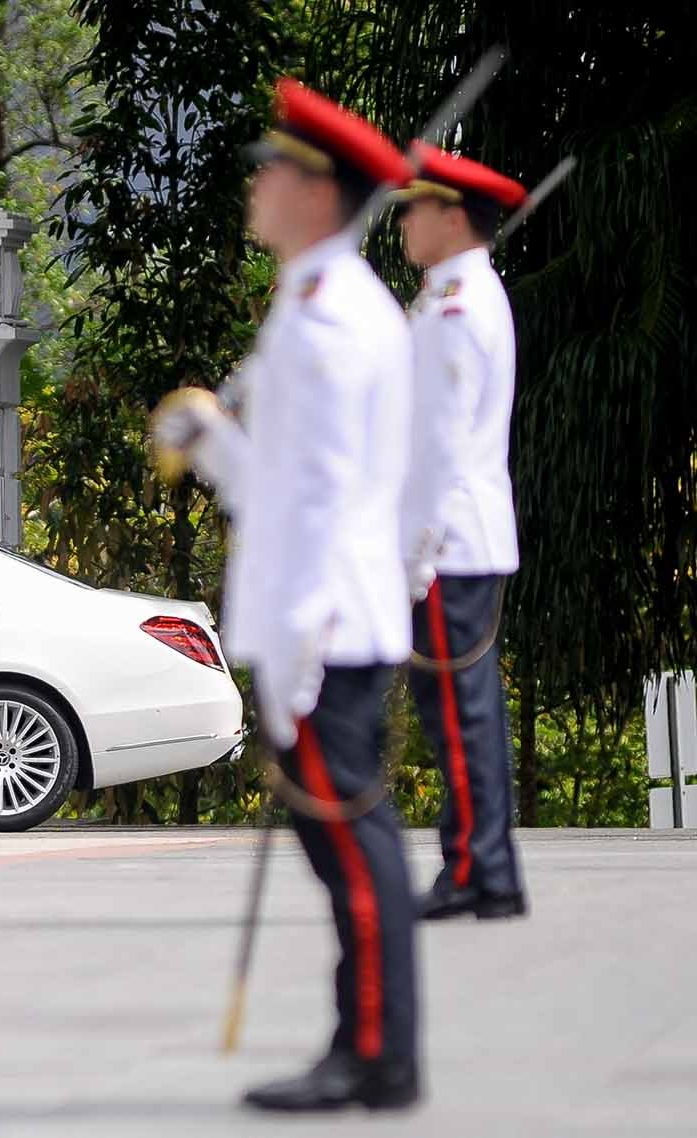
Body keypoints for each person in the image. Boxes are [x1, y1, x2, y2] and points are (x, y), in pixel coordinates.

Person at [152, 78, 421, 1112]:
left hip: (324, 617)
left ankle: (373, 1054)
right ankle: (368, 1045)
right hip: (330, 608)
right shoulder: (318, 301)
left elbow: (302, 494)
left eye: (275, 169)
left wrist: (210, 439)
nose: (257, 184)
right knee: (350, 847)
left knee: (352, 853)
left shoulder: (322, 324)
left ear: (317, 193)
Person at [393, 143, 530, 921]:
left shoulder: (455, 308)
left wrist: (413, 558)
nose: (406, 222)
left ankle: (478, 869)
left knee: (460, 713)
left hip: (449, 542)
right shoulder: (457, 296)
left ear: (451, 216)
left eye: (416, 208)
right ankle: (485, 867)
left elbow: (438, 450)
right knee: (462, 709)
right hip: (460, 538)